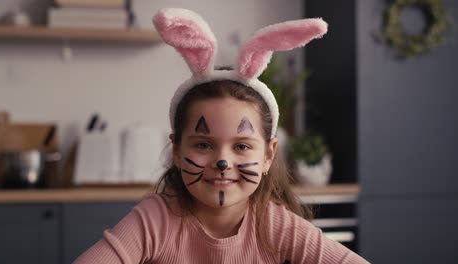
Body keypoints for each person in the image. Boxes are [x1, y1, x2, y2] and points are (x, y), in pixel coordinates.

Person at [74, 8, 369, 264]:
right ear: (176, 150)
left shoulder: (277, 226)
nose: (223, 162)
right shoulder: (156, 220)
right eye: (204, 144)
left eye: (241, 146)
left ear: (268, 155)